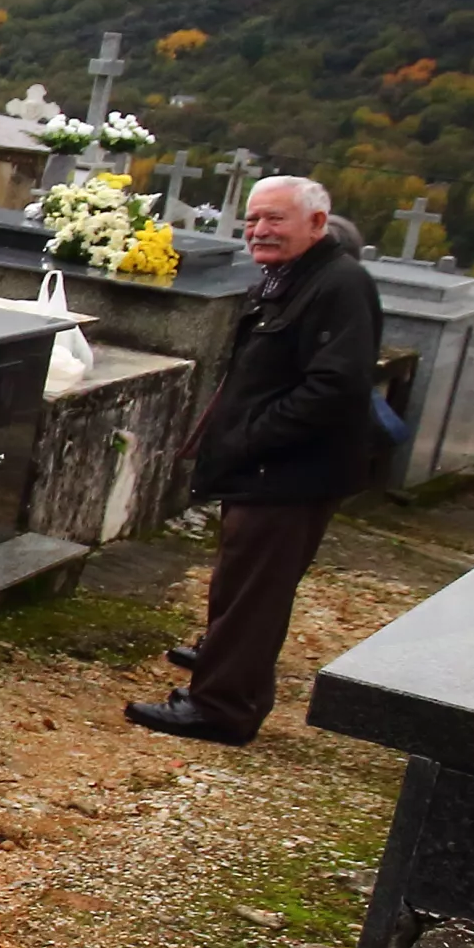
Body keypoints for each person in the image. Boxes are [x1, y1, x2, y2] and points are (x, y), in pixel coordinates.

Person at [128, 175, 385, 745]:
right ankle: (221, 668)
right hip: (268, 466)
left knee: (255, 591)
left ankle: (222, 707)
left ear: (317, 224)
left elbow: (335, 386)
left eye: (276, 219)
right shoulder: (292, 278)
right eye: (253, 220)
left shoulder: (339, 285)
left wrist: (250, 437)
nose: (261, 231)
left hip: (288, 471)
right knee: (239, 581)